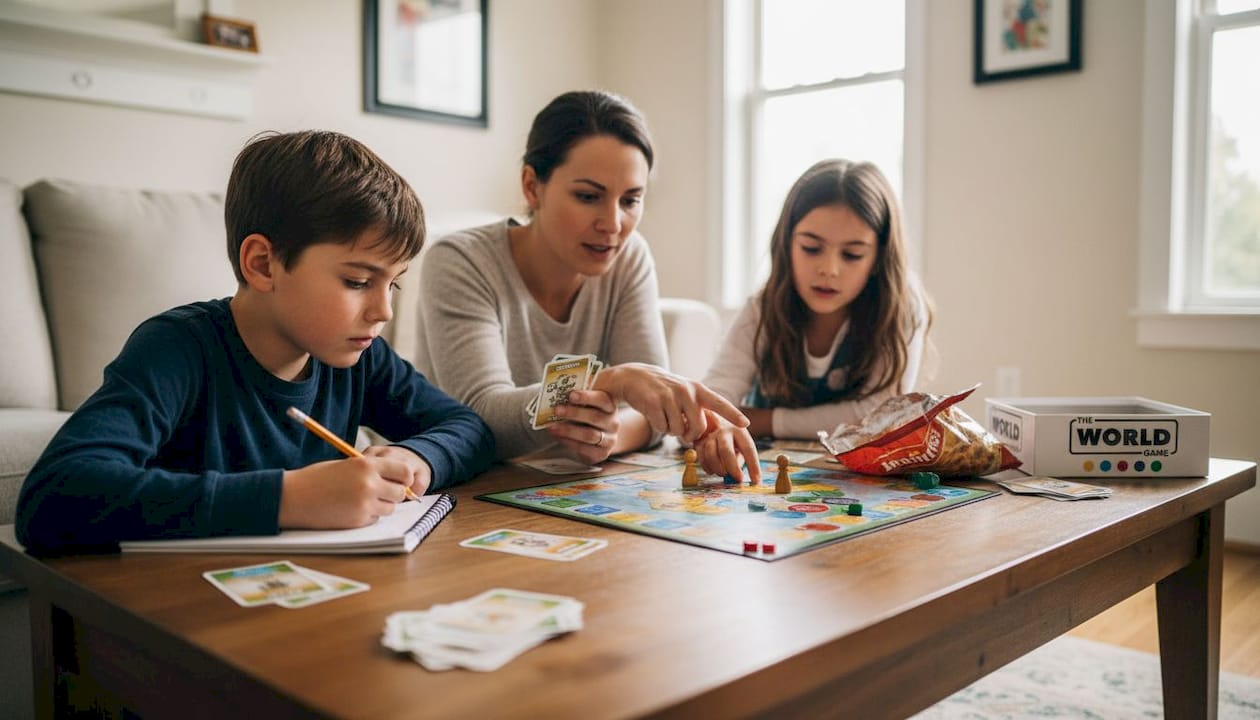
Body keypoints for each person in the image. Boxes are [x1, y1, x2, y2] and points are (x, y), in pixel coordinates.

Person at [16, 130, 495, 552]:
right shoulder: (177, 349)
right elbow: (53, 497)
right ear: (263, 264)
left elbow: (468, 428)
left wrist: (418, 458)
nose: (383, 311)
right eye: (357, 281)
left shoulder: (361, 356)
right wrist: (290, 498)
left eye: (393, 285)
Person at [415, 90, 759, 482]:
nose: (612, 224)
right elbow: (479, 416)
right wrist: (612, 382)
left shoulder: (629, 256)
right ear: (532, 186)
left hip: (565, 486)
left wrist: (605, 437)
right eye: (588, 196)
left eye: (630, 200)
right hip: (445, 486)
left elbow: (651, 416)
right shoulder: (460, 261)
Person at [697, 159, 932, 469]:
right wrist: (718, 427)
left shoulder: (901, 307)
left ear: (878, 258)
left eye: (852, 254)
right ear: (786, 243)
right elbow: (714, 398)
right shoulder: (764, 308)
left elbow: (880, 414)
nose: (829, 269)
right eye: (811, 248)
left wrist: (763, 420)